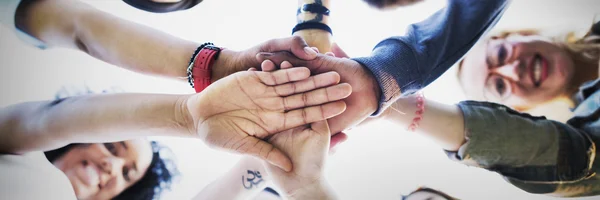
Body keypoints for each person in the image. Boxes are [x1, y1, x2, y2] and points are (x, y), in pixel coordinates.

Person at [0, 67, 352, 199]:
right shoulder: (19, 150)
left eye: (126, 175)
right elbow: (47, 122)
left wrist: (297, 182)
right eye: (112, 146)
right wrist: (186, 115)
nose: (111, 168)